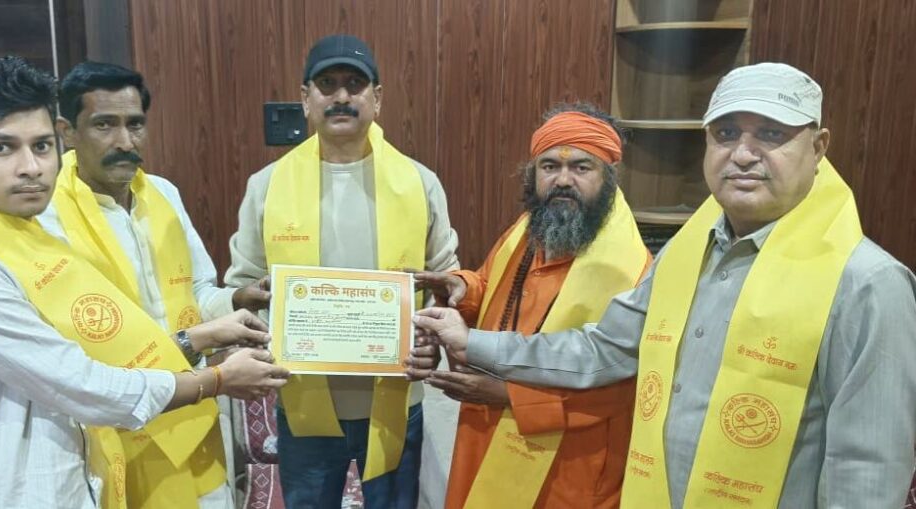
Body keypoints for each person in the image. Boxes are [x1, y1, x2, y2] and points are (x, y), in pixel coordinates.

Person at [413, 62, 916, 508]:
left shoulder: (867, 285)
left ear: (819, 146)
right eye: (726, 133)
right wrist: (470, 337)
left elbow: (867, 471)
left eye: (771, 134)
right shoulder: (685, 255)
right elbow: (603, 350)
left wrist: (510, 391)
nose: (744, 154)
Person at [0, 56, 289, 508]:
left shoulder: (31, 237)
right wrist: (216, 380)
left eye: (41, 147)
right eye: (2, 148)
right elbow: (83, 382)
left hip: (90, 471)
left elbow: (96, 345)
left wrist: (207, 330)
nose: (31, 167)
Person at [223, 34, 459, 508]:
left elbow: (448, 281)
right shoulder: (267, 186)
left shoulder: (420, 183)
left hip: (396, 402)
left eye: (355, 84)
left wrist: (433, 340)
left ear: (378, 97)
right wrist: (259, 318)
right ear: (305, 98)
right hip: (304, 405)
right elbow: (240, 285)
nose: (342, 96)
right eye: (327, 84)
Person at [411, 102, 651, 508]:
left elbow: (619, 383)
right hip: (486, 428)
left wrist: (511, 395)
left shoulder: (632, 271)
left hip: (569, 459)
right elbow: (493, 287)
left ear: (609, 176)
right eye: (549, 166)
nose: (563, 180)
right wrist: (462, 287)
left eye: (581, 167)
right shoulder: (529, 229)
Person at [41, 60, 245, 508]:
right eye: (104, 125)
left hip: (193, 406)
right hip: (115, 420)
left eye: (134, 124)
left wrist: (241, 300)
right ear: (67, 132)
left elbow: (198, 293)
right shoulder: (46, 216)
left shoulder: (164, 194)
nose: (124, 142)